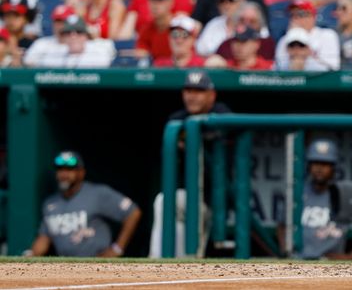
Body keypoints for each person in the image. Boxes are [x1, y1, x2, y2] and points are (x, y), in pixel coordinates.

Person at [149, 71, 231, 258]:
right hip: (187, 197)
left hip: (215, 200)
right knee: (167, 202)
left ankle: (165, 264)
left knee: (169, 202)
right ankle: (160, 264)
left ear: (212, 95)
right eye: (188, 91)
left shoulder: (222, 115)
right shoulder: (177, 119)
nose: (192, 96)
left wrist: (199, 139)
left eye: (198, 91)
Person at [25, 151, 141, 258]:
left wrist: (117, 248)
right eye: (60, 170)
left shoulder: (98, 193)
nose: (64, 174)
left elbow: (133, 212)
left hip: (96, 263)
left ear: (81, 173)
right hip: (66, 266)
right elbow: (44, 239)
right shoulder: (50, 203)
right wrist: (30, 254)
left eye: (70, 170)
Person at [277, 139, 352, 260]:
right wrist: (285, 250)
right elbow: (281, 225)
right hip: (299, 259)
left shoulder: (342, 195)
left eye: (325, 164)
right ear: (309, 166)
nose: (319, 168)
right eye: (315, 163)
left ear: (333, 167)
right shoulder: (298, 193)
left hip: (330, 262)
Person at [274, 0, 341, 71]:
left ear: (313, 17)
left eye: (301, 14)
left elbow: (333, 68)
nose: (295, 18)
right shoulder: (284, 39)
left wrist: (306, 59)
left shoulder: (327, 35)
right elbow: (278, 68)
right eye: (292, 14)